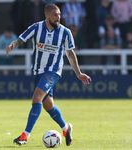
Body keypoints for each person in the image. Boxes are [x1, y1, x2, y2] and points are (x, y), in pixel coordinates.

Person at [6, 4, 92, 146]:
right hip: (38, 71)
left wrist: (78, 73)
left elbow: (70, 53)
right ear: (47, 16)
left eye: (58, 14)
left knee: (36, 98)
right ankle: (66, 128)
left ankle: (25, 135)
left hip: (53, 71)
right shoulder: (36, 27)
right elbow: (21, 39)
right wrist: (12, 45)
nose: (58, 17)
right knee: (48, 105)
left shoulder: (65, 32)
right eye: (54, 15)